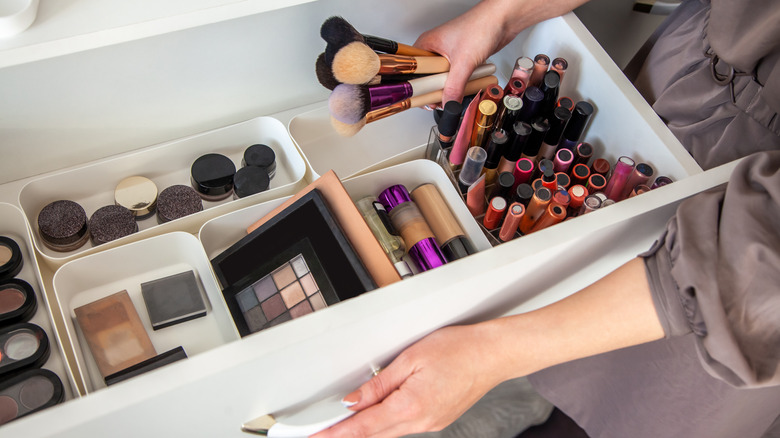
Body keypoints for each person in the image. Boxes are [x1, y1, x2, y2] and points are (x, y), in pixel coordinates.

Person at [313, 0, 780, 436]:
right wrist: (500, 15)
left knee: (636, 404)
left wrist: (491, 355)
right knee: (552, 345)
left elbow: (755, 271)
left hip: (736, 275)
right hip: (684, 67)